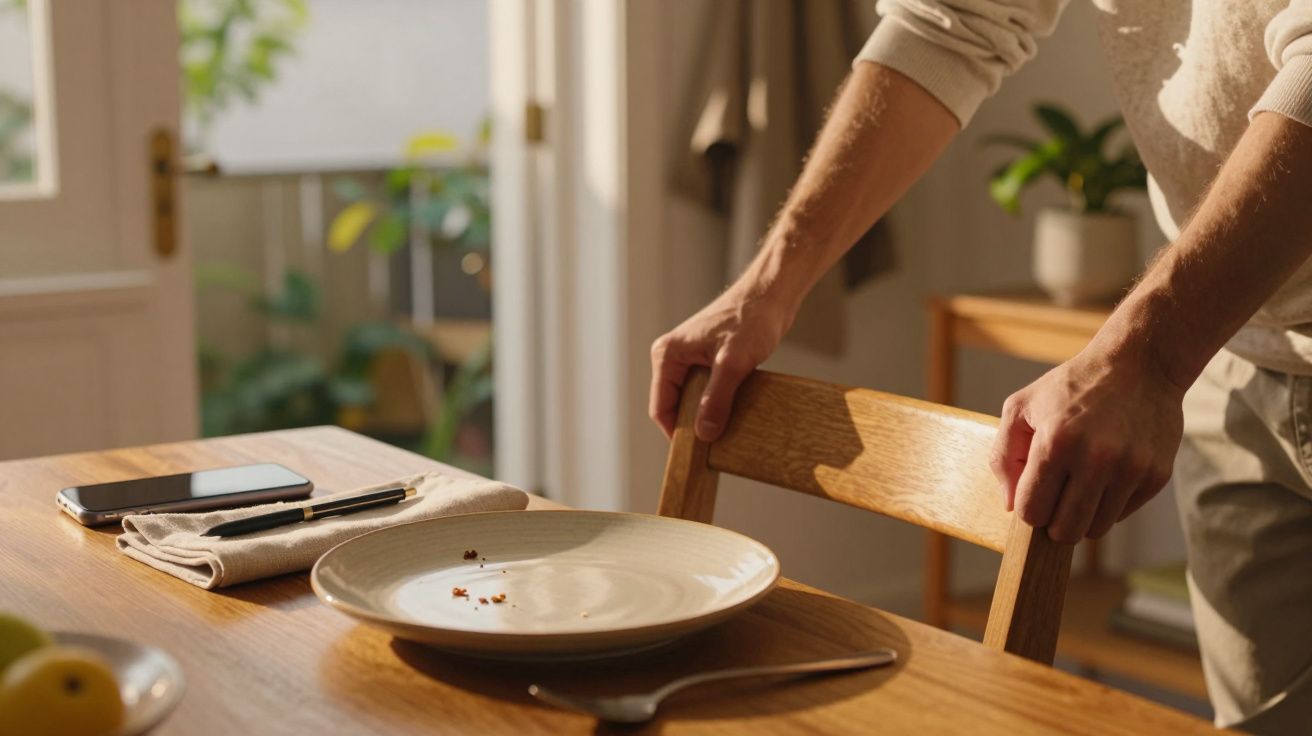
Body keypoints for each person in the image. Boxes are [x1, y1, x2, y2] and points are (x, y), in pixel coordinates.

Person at [647, 2, 1312, 732]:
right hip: (1238, 350)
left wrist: (1149, 354)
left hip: (1198, 337)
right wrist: (766, 287)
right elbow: (952, 23)